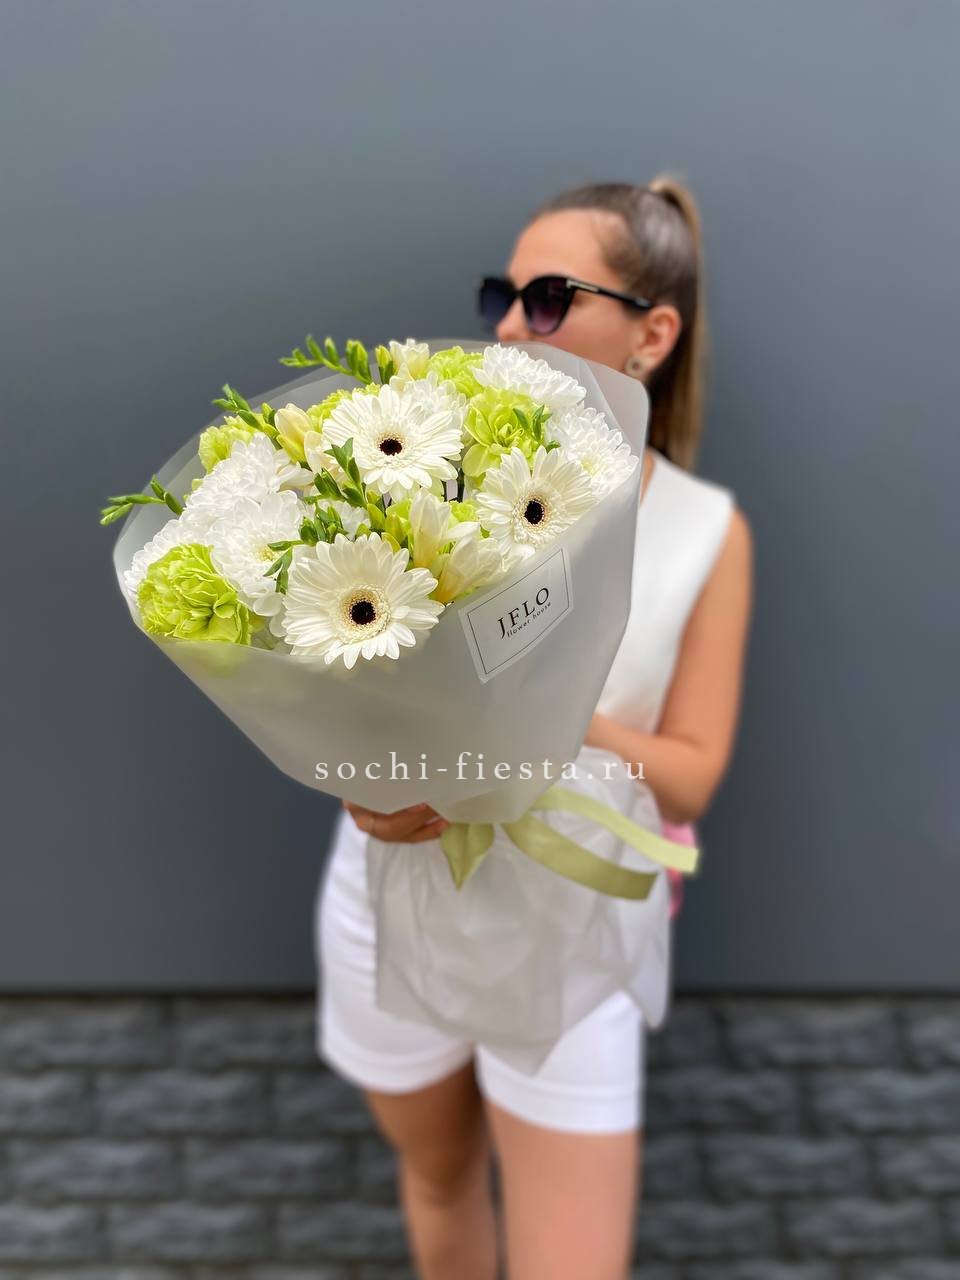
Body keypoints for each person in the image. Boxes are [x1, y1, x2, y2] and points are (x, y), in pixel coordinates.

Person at [314, 176, 754, 1280]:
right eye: (502, 295)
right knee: (439, 1178)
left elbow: (692, 776)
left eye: (549, 296)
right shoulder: (432, 474)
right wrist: (367, 789)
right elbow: (361, 686)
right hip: (397, 899)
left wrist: (558, 723)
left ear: (654, 333)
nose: (512, 325)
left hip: (576, 933)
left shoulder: (704, 529)